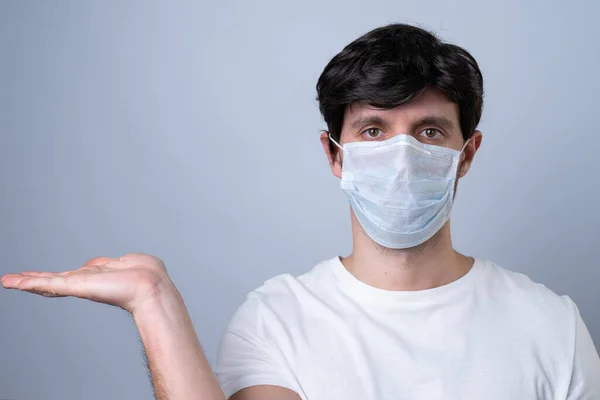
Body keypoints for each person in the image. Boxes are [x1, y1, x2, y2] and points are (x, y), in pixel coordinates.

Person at [2, 23, 599, 400]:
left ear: (465, 154)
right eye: (372, 130)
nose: (399, 155)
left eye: (428, 132)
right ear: (334, 155)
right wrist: (154, 303)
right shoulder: (279, 320)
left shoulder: (550, 327)